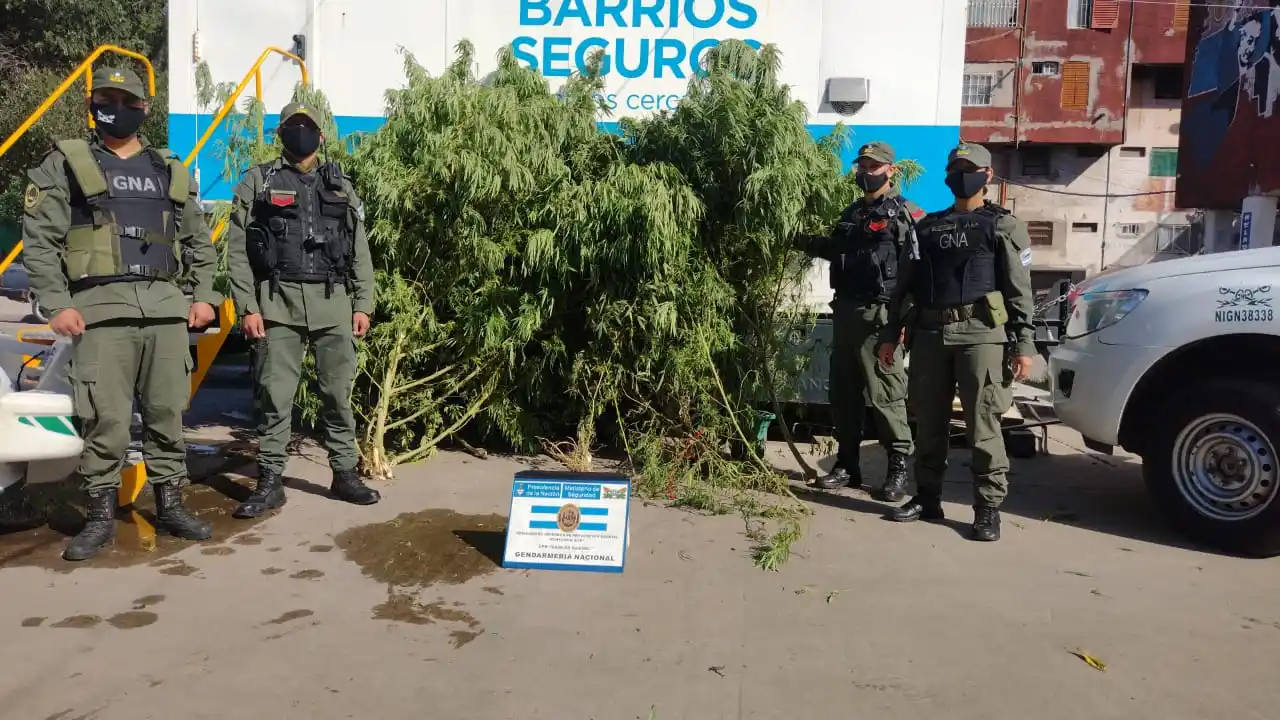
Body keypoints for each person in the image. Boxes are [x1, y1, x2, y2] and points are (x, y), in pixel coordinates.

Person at [21, 66, 220, 561]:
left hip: (164, 311)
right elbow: (40, 242)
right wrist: (56, 304)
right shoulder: (66, 164)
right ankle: (99, 518)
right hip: (99, 311)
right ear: (92, 104)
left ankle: (170, 506)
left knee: (166, 414)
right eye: (106, 98)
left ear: (144, 108)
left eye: (127, 99)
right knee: (105, 419)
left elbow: (198, 241)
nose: (116, 107)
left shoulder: (168, 168)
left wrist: (204, 296)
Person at [225, 102, 379, 518]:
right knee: (275, 397)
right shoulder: (258, 180)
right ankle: (270, 481)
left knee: (337, 395)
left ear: (321, 135)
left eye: (308, 126)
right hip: (278, 302)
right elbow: (237, 250)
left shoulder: (340, 184)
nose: (300, 132)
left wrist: (364, 303)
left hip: (334, 303)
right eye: (292, 126)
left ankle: (344, 474)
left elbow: (359, 248)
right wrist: (247, 307)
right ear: (279, 133)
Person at [875, 142, 1035, 542]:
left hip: (981, 337)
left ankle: (987, 508)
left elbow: (1019, 290)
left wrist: (1024, 344)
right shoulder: (927, 227)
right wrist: (890, 335)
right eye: (956, 169)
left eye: (969, 169)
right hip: (930, 335)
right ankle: (927, 498)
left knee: (983, 425)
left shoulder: (1003, 226)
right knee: (929, 423)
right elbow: (904, 288)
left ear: (987, 175)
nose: (961, 176)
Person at [793, 142, 920, 500]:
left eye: (874, 167)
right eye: (862, 166)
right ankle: (847, 465)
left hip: (881, 319)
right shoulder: (851, 213)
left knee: (886, 396)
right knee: (844, 395)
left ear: (891, 170)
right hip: (846, 314)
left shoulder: (905, 214)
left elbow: (916, 273)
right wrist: (796, 239)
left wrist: (902, 324)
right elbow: (834, 249)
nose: (866, 173)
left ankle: (897, 469)